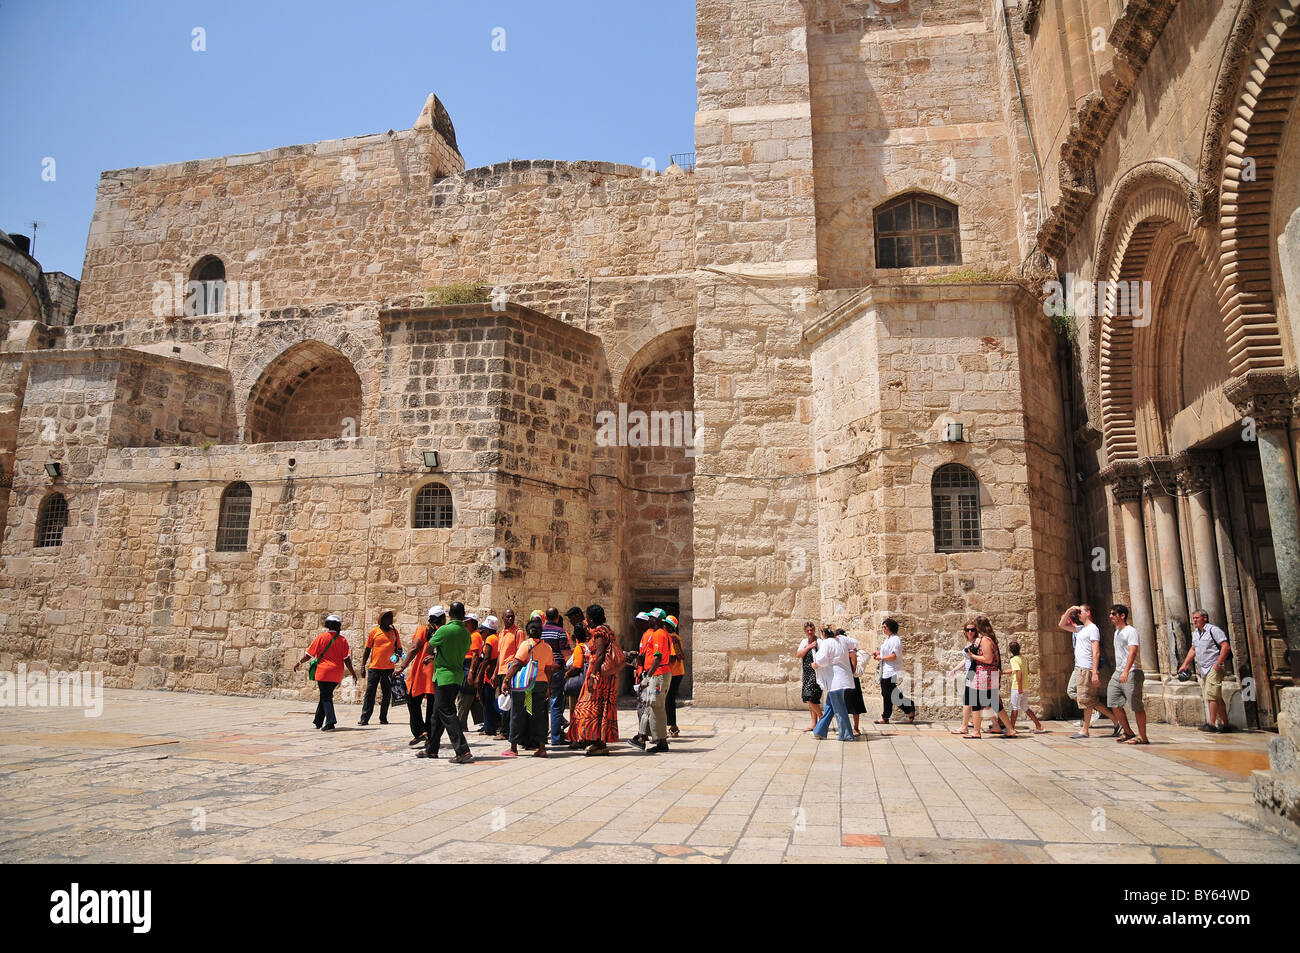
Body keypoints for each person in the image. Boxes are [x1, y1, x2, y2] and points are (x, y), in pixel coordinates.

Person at [417, 602, 474, 764]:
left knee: (447, 712)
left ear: (450, 615)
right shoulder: (466, 633)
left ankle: (462, 750)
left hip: (443, 676)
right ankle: (431, 749)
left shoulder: (444, 630)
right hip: (456, 675)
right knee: (437, 714)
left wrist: (435, 654)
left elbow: (429, 648)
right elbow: (457, 651)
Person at [503, 616, 558, 758]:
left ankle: (513, 747)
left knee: (517, 713)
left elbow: (516, 663)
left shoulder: (526, 645)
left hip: (525, 684)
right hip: (541, 683)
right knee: (539, 715)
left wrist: (506, 680)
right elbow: (549, 669)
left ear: (529, 632)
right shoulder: (547, 648)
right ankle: (541, 747)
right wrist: (548, 686)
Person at [1058, 604, 1115, 739]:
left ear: (1088, 613)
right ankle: (1115, 721)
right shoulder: (1080, 629)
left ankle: (1086, 730)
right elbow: (1061, 625)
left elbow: (1096, 652)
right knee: (1089, 700)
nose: (1078, 614)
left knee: (1088, 700)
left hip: (1087, 668)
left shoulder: (1093, 629)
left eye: (1080, 612)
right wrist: (1069, 610)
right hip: (1080, 667)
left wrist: (1094, 672)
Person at [293, 614, 357, 731]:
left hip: (323, 672)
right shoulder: (342, 640)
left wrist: (299, 662)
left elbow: (309, 655)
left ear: (327, 625)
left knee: (326, 696)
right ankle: (318, 721)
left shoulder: (321, 638)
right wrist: (353, 673)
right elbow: (346, 659)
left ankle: (330, 722)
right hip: (336, 673)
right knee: (325, 695)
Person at [571, 604, 620, 756]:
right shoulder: (607, 629)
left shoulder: (599, 633)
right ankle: (598, 742)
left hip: (599, 676)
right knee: (600, 708)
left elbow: (599, 656)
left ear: (591, 619)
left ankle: (597, 741)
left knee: (588, 706)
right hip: (606, 675)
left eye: (587, 618)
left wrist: (593, 676)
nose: (586, 620)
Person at [395, 606, 443, 747]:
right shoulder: (443, 631)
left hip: (422, 672)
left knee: (412, 700)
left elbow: (414, 648)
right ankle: (428, 734)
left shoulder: (423, 630)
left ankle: (420, 731)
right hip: (436, 672)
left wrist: (402, 666)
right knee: (431, 707)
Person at [1178, 609, 1232, 733]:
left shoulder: (1213, 630)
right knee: (1217, 697)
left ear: (1205, 618)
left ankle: (1211, 724)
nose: (1195, 620)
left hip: (1214, 667)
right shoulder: (1196, 633)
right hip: (1203, 669)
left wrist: (1218, 663)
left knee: (1211, 695)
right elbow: (1193, 649)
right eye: (1194, 618)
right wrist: (1185, 664)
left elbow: (1225, 646)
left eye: (1197, 618)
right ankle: (1226, 724)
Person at [966, 616, 1017, 738]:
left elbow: (988, 659)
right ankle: (1010, 729)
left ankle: (976, 732)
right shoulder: (989, 639)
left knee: (977, 703)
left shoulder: (985, 640)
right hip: (989, 675)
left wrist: (973, 656)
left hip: (984, 674)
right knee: (994, 703)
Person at [1106, 604, 1147, 744]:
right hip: (1118, 672)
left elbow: (1133, 651)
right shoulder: (1116, 632)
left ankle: (1143, 736)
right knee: (1113, 701)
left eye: (1113, 614)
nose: (1110, 616)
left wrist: (1126, 671)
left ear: (1122, 616)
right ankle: (1128, 732)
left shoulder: (1131, 631)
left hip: (1131, 671)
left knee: (1135, 705)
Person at [633, 612, 673, 753]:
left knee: (657, 707)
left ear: (655, 619)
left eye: (650, 617)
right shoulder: (661, 633)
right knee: (652, 705)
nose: (648, 619)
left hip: (658, 676)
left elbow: (657, 658)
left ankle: (661, 742)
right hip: (659, 674)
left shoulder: (659, 634)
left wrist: (647, 678)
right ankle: (644, 737)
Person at [811, 627, 855, 741]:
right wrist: (842, 638)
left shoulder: (827, 643)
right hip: (845, 678)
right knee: (830, 706)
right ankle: (820, 731)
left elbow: (822, 660)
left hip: (835, 680)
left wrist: (815, 665)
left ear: (823, 633)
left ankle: (846, 734)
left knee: (839, 709)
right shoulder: (842, 640)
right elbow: (855, 643)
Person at [359, 610, 401, 726]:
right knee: (370, 693)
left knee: (387, 694)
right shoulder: (374, 632)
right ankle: (364, 718)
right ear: (382, 620)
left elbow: (399, 649)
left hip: (388, 669)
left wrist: (397, 656)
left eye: (391, 618)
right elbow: (367, 650)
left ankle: (383, 717)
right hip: (374, 668)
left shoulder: (395, 633)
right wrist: (362, 666)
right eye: (388, 618)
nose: (391, 620)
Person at [873, 617, 916, 724]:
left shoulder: (895, 639)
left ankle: (909, 707)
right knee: (887, 694)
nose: (883, 629)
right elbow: (887, 652)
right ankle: (886, 716)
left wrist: (881, 658)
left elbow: (894, 656)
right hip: (885, 670)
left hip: (891, 671)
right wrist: (879, 654)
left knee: (891, 695)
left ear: (890, 627)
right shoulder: (888, 639)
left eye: (885, 627)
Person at [541, 607, 571, 746]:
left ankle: (541, 736)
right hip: (557, 669)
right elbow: (565, 653)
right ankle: (556, 737)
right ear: (557, 617)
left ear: (546, 617)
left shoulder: (539, 630)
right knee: (556, 703)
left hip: (541, 670)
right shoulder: (560, 632)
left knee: (541, 704)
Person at [493, 609, 523, 741]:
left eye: (512, 617)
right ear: (502, 618)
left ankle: (506, 731)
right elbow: (500, 655)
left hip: (511, 671)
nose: (510, 619)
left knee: (509, 701)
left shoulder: (518, 632)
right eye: (508, 617)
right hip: (501, 670)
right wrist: (495, 673)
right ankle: (505, 729)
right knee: (504, 701)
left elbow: (521, 653)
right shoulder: (501, 634)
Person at [1005, 641, 1045, 733]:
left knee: (1014, 707)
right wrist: (1005, 672)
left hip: (1017, 686)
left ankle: (1011, 729)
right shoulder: (1022, 658)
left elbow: (1019, 672)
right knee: (1025, 706)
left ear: (1010, 650)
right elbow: (1016, 670)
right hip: (1025, 686)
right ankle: (1038, 726)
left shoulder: (1013, 659)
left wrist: (1019, 687)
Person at [948, 622, 980, 735]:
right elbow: (965, 660)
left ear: (976, 630)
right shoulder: (969, 642)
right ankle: (996, 724)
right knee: (977, 700)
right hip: (970, 673)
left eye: (972, 630)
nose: (970, 632)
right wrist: (955, 669)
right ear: (965, 631)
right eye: (968, 630)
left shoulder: (977, 641)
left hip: (974, 672)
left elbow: (975, 657)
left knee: (968, 700)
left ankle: (964, 726)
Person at [455, 613, 485, 731]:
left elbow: (475, 654)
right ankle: (483, 721)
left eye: (467, 622)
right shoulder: (471, 635)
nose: (465, 624)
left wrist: (471, 672)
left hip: (469, 666)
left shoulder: (475, 636)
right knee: (472, 697)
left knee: (464, 695)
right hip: (466, 665)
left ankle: (461, 724)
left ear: (472, 623)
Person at [473, 615, 501, 736]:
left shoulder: (490, 640)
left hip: (489, 672)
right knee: (490, 699)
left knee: (487, 699)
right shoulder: (498, 637)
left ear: (488, 630)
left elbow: (487, 659)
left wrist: (479, 675)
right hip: (496, 670)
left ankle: (489, 728)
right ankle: (494, 723)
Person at [629, 612, 653, 745]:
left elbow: (646, 657)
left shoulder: (648, 635)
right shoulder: (645, 635)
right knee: (643, 706)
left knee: (642, 706)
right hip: (641, 672)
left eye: (638, 621)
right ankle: (643, 732)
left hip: (644, 673)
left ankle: (642, 735)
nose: (636, 623)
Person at [838, 628, 867, 735]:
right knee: (842, 704)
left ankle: (856, 728)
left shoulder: (851, 650)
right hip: (843, 679)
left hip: (851, 680)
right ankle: (844, 728)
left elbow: (853, 665)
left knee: (855, 705)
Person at [797, 622, 824, 731]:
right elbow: (798, 654)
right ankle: (814, 723)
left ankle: (822, 718)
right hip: (807, 673)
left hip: (816, 673)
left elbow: (823, 655)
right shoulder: (804, 642)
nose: (810, 632)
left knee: (809, 697)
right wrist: (809, 647)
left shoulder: (820, 642)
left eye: (811, 630)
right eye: (807, 630)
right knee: (811, 698)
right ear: (805, 631)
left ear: (814, 630)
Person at [664, 615, 685, 738]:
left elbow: (672, 657)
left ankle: (673, 726)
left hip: (673, 672)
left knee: (669, 700)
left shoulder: (672, 638)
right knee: (669, 700)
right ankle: (672, 726)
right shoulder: (676, 637)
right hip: (677, 672)